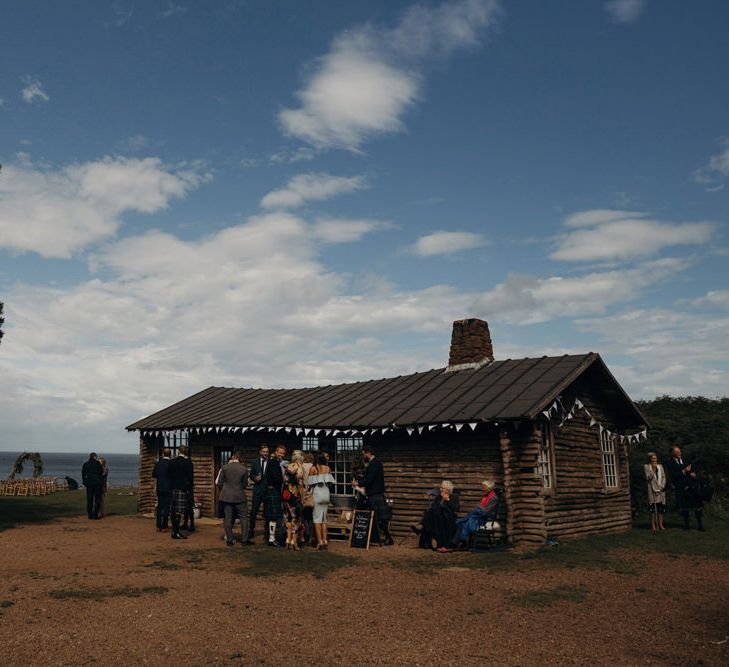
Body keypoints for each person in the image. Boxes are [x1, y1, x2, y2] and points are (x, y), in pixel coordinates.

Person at [352, 445, 393, 546]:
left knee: (380, 518)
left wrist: (357, 484)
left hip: (375, 494)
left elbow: (369, 480)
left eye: (364, 454)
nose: (363, 456)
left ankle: (388, 538)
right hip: (374, 494)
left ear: (368, 453)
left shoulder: (375, 463)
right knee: (377, 518)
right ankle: (378, 538)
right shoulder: (373, 463)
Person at [411, 480, 459, 552]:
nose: (440, 489)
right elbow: (434, 506)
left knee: (432, 512)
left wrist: (448, 500)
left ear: (448, 489)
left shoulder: (454, 496)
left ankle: (421, 525)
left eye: (442, 488)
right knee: (431, 511)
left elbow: (456, 509)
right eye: (441, 488)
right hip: (438, 516)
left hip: (448, 517)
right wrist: (441, 501)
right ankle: (434, 538)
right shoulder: (439, 496)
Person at [666, 446, 704, 531]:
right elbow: (673, 476)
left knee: (698, 506)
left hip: (692, 486)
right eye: (677, 452)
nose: (680, 453)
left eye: (680, 451)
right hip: (682, 487)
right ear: (673, 453)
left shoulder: (686, 459)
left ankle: (700, 525)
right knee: (685, 507)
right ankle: (687, 526)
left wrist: (693, 473)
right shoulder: (670, 463)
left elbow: (693, 469)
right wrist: (683, 471)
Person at [217, 449, 250, 546]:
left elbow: (219, 483)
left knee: (228, 518)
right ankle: (244, 539)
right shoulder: (244, 469)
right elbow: (245, 484)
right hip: (239, 496)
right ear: (240, 458)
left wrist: (224, 490)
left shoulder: (225, 467)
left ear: (233, 457)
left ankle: (229, 540)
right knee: (243, 518)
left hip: (227, 496)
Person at [455, 480, 498, 546]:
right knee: (467, 520)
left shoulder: (493, 498)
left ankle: (461, 541)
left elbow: (486, 512)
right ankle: (462, 542)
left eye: (484, 487)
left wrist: (479, 507)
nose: (482, 489)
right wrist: (478, 509)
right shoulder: (485, 496)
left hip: (484, 519)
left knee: (466, 521)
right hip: (478, 516)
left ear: (489, 488)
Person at [307, 452, 335, 550]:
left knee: (317, 519)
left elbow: (309, 483)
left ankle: (320, 542)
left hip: (318, 494)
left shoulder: (313, 468)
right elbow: (331, 483)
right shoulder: (328, 468)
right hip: (326, 493)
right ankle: (325, 540)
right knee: (324, 519)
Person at [168, 446, 194, 540]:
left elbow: (168, 475)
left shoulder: (172, 461)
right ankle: (176, 532)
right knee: (178, 512)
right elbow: (190, 477)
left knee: (174, 511)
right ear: (186, 452)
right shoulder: (188, 462)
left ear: (179, 451)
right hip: (182, 489)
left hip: (173, 489)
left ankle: (174, 531)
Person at [263, 444, 287, 546]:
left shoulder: (278, 462)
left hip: (275, 491)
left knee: (273, 515)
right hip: (273, 490)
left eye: (283, 453)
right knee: (273, 516)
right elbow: (275, 477)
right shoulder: (273, 462)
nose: (281, 455)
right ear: (276, 452)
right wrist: (284, 479)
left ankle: (271, 538)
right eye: (280, 453)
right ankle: (271, 539)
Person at [283, 450, 306, 549]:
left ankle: (288, 540)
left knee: (288, 518)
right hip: (295, 496)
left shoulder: (288, 466)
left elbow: (285, 481)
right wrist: (302, 498)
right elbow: (300, 485)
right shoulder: (300, 468)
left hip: (286, 495)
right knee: (296, 520)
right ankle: (294, 542)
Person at [248, 444, 270, 540]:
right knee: (254, 511)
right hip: (257, 490)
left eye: (267, 452)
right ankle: (251, 530)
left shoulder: (270, 462)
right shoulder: (255, 462)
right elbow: (251, 475)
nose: (265, 453)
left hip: (267, 490)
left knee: (267, 512)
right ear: (260, 452)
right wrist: (255, 478)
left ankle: (266, 532)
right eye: (264, 451)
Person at [644, 452, 667, 532]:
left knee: (661, 508)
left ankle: (660, 524)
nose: (655, 460)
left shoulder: (660, 466)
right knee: (652, 508)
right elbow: (648, 478)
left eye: (656, 458)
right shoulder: (647, 467)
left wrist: (662, 486)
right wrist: (653, 470)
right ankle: (653, 525)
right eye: (653, 458)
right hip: (652, 490)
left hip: (660, 490)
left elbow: (664, 477)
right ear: (650, 459)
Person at [152, 448, 172, 532]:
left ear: (163, 454)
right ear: (170, 454)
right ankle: (164, 526)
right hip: (168, 488)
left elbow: (154, 475)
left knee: (160, 507)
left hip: (159, 488)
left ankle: (158, 526)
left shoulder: (157, 464)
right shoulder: (171, 464)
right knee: (166, 507)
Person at [81, 453, 104, 520]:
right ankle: (95, 514)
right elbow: (101, 472)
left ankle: (90, 514)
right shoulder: (98, 464)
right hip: (97, 484)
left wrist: (85, 482)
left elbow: (83, 474)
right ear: (95, 457)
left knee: (89, 499)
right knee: (97, 499)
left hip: (89, 484)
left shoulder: (86, 464)